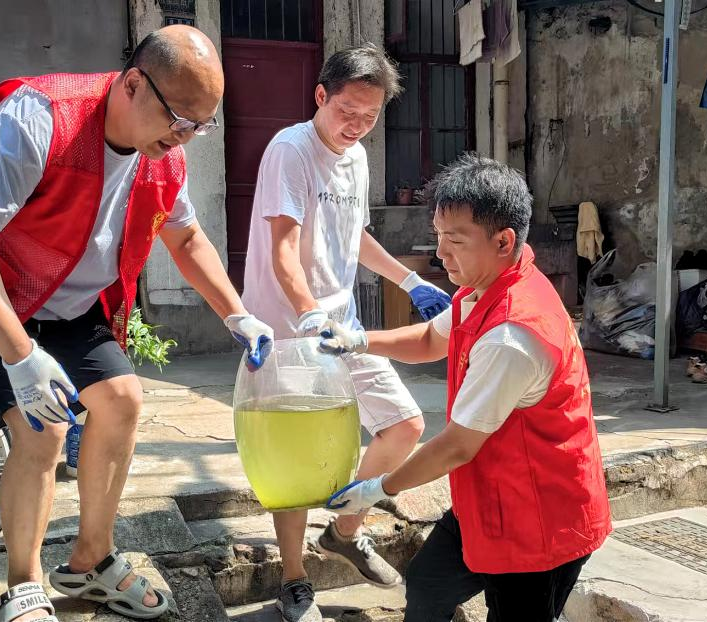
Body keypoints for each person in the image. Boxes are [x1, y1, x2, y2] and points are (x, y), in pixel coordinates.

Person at [0, 26, 273, 622]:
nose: (184, 137)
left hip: (70, 307)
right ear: (133, 83)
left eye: (199, 126)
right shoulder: (40, 117)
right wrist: (21, 356)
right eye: (178, 118)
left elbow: (185, 238)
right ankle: (22, 587)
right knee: (43, 429)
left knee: (122, 400)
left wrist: (239, 314)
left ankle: (91, 561)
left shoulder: (164, 155)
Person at [321, 154, 612, 622]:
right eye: (438, 236)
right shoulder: (483, 288)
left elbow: (457, 445)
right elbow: (429, 339)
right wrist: (358, 341)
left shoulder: (511, 337)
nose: (441, 253)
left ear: (504, 241)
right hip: (489, 495)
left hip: (539, 516)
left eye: (455, 240)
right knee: (428, 584)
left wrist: (377, 488)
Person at [240, 43, 452, 622]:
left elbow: (353, 236)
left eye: (369, 116)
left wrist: (410, 279)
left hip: (343, 326)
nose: (356, 126)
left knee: (404, 424)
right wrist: (307, 314)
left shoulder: (356, 157)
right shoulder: (291, 151)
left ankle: (344, 531)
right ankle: (293, 581)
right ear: (320, 96)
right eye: (346, 111)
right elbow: (284, 249)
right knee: (294, 459)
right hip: (287, 334)